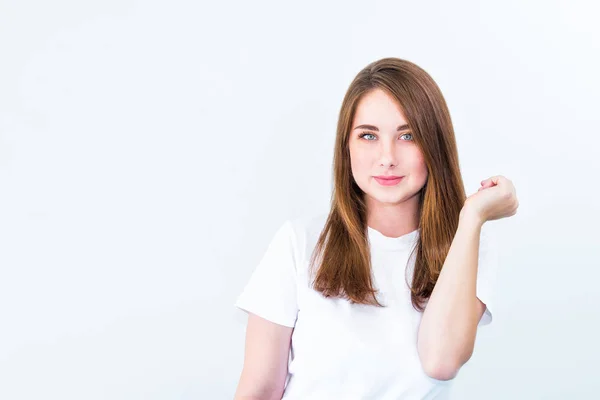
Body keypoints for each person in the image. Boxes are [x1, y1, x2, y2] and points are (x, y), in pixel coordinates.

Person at [233, 57, 519, 400]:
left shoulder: (468, 245)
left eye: (408, 135)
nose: (387, 157)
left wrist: (472, 217)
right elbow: (260, 390)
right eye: (368, 135)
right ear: (347, 146)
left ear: (434, 146)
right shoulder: (300, 242)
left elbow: (441, 361)